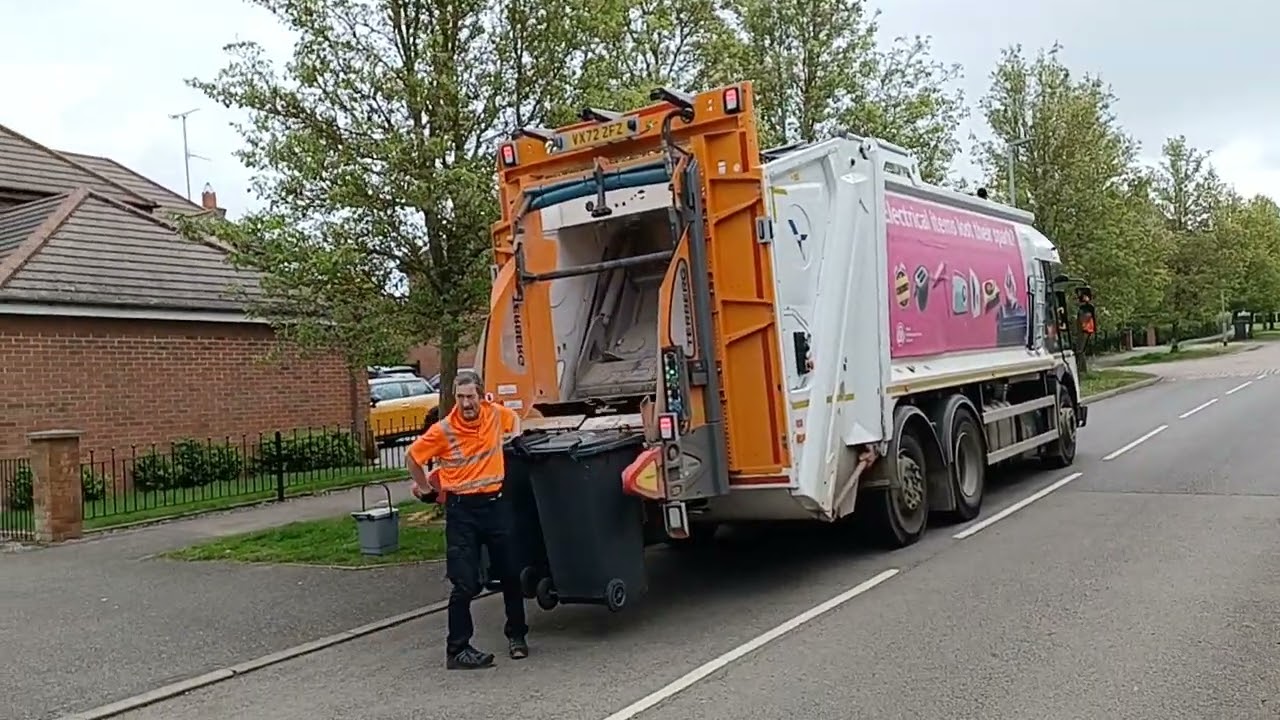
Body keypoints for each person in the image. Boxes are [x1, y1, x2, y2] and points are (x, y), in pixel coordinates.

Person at [406, 370, 529, 670]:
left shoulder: (495, 414)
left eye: (470, 397)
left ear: (480, 396)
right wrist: (424, 489)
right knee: (464, 583)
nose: (465, 404)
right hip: (462, 512)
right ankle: (457, 650)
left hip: (495, 505)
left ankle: (517, 637)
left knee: (511, 573)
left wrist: (514, 439)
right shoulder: (444, 430)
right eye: (460, 398)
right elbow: (412, 457)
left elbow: (516, 423)